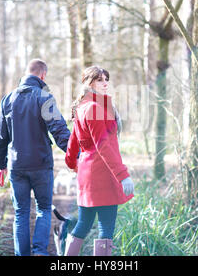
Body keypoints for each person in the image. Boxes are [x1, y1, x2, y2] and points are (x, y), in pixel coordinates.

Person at [0, 59, 70, 256]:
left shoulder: (8, 99)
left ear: (26, 73)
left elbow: (1, 137)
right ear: (43, 75)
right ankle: (40, 253)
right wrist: (76, 155)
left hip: (16, 166)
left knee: (20, 213)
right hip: (41, 164)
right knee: (43, 209)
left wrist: (1, 165)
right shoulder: (44, 98)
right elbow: (59, 130)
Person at [64, 66, 134, 256]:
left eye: (106, 79)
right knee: (106, 228)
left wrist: (71, 163)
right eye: (99, 79)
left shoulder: (84, 106)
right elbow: (103, 146)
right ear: (89, 83)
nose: (105, 83)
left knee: (83, 224)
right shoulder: (94, 107)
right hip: (102, 174)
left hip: (87, 173)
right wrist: (123, 175)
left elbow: (73, 139)